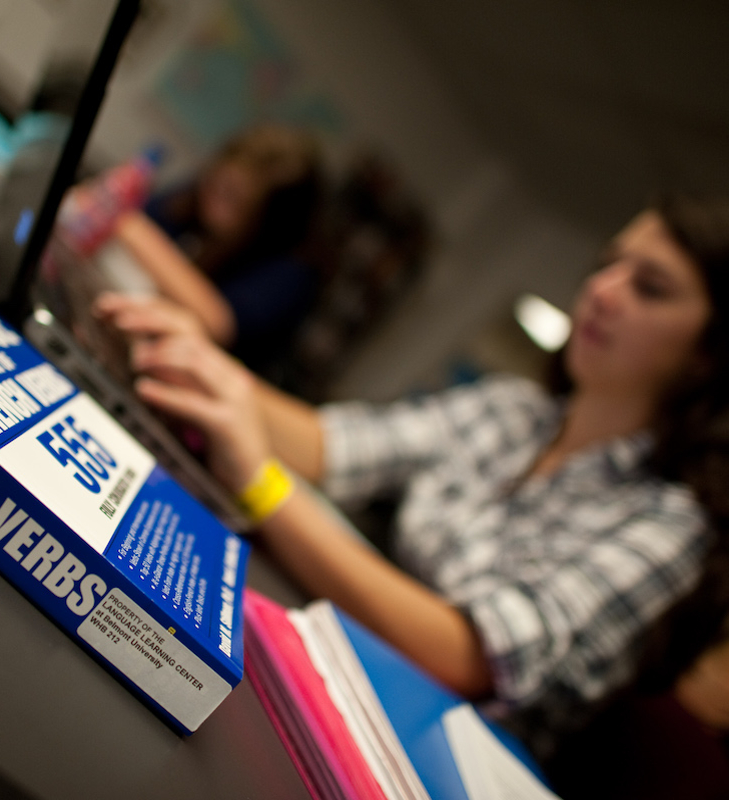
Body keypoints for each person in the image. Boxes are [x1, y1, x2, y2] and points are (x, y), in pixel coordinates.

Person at [93, 193, 729, 762]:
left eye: (649, 287)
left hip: (414, 759)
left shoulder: (671, 526)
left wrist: (264, 486)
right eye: (608, 264)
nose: (603, 289)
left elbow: (467, 657)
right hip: (335, 673)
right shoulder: (515, 412)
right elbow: (333, 446)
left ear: (708, 355)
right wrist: (204, 362)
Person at [112, 123, 326, 379]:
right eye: (218, 184)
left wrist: (122, 219)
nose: (218, 198)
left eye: (237, 200)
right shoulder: (197, 196)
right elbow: (143, 219)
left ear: (273, 220)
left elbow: (219, 323)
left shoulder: (292, 271)